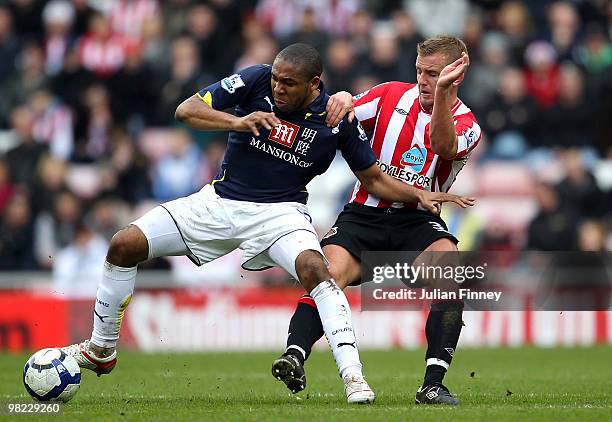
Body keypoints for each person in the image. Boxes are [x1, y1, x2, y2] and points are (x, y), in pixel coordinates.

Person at [58, 43, 474, 404]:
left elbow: (380, 172)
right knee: (122, 244)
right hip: (219, 203)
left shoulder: (349, 123)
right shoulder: (256, 82)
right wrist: (237, 121)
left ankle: (359, 379)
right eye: (276, 78)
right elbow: (186, 110)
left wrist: (418, 193)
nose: (277, 87)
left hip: (284, 213)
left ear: (313, 85)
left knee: (322, 271)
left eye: (288, 83)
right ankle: (101, 349)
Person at [272, 36, 481, 406]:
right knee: (326, 276)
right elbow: (347, 110)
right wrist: (343, 98)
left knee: (450, 276)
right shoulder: (390, 96)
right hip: (364, 215)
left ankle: (432, 385)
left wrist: (444, 95)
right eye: (419, 71)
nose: (423, 80)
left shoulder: (467, 123)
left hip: (417, 219)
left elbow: (444, 146)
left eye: (434, 74)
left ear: (455, 74)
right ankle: (294, 355)